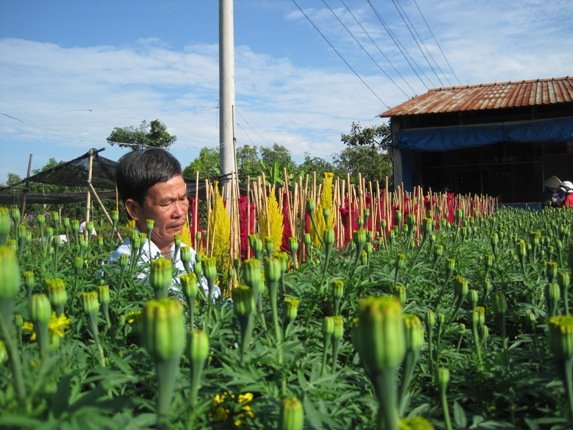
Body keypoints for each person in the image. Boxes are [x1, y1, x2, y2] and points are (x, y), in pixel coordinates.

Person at [109, 148, 216, 297]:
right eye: (166, 203)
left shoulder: (188, 255)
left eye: (183, 198)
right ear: (134, 209)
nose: (179, 212)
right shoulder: (125, 267)